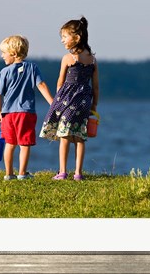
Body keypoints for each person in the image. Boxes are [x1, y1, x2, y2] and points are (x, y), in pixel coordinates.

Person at [39, 16, 99, 181]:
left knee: (64, 136)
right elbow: (95, 86)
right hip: (85, 101)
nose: (62, 41)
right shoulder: (93, 60)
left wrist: (58, 102)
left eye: (64, 37)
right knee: (80, 137)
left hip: (67, 100)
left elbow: (60, 83)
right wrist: (94, 104)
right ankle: (78, 173)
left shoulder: (68, 58)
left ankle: (63, 172)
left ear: (76, 38)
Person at [0, 35, 53, 180]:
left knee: (10, 143)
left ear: (13, 53)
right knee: (25, 144)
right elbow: (41, 85)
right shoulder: (33, 68)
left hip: (8, 114)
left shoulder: (4, 72)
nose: (2, 56)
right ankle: (22, 174)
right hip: (26, 113)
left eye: (4, 52)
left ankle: (8, 174)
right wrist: (52, 102)